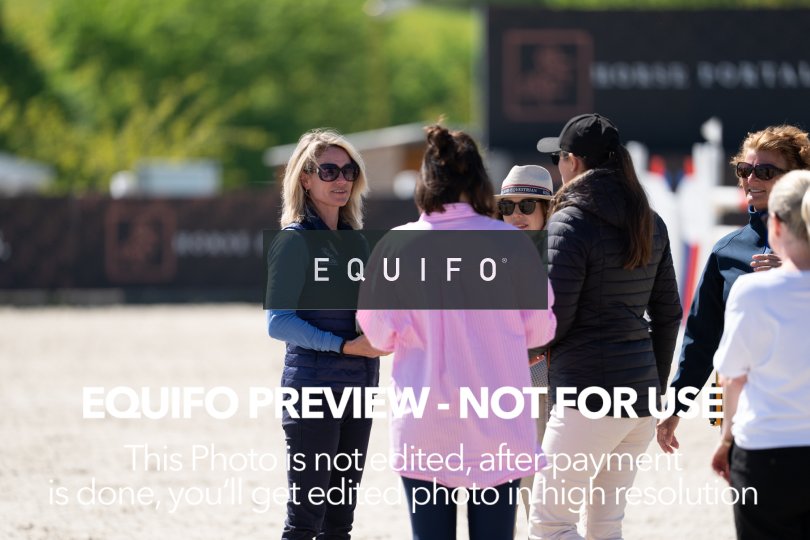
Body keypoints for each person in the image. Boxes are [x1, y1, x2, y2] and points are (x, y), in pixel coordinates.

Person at [356, 125, 557, 540]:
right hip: (498, 424)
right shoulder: (513, 244)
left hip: (424, 425)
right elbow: (540, 328)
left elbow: (378, 337)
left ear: (426, 180)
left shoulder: (395, 246)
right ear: (479, 180)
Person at [530, 113, 682, 539]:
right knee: (604, 526)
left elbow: (554, 319)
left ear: (574, 162)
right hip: (639, 402)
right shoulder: (650, 220)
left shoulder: (570, 221)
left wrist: (524, 353)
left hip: (587, 396)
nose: (558, 167)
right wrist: (653, 387)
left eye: (559, 157)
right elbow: (668, 314)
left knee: (549, 526)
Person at [657, 125, 810, 454]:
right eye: (744, 170)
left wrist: (795, 274)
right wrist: (677, 404)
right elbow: (702, 337)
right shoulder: (727, 250)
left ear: (796, 177)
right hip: (742, 416)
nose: (751, 179)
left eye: (765, 171)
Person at [265, 129, 386, 540]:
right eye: (329, 171)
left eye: (349, 171)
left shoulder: (356, 242)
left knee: (340, 523)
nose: (341, 179)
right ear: (305, 178)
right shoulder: (293, 241)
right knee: (304, 521)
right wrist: (344, 346)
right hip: (313, 390)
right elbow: (278, 322)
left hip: (360, 387)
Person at [710, 170, 810, 539]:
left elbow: (731, 378)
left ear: (777, 225)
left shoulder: (752, 291)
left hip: (766, 452)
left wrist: (725, 441)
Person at [494, 164, 555, 528]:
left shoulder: (562, 256)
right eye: (508, 206)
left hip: (542, 385)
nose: (516, 214)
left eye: (527, 205)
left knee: (538, 492)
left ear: (547, 209)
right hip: (495, 388)